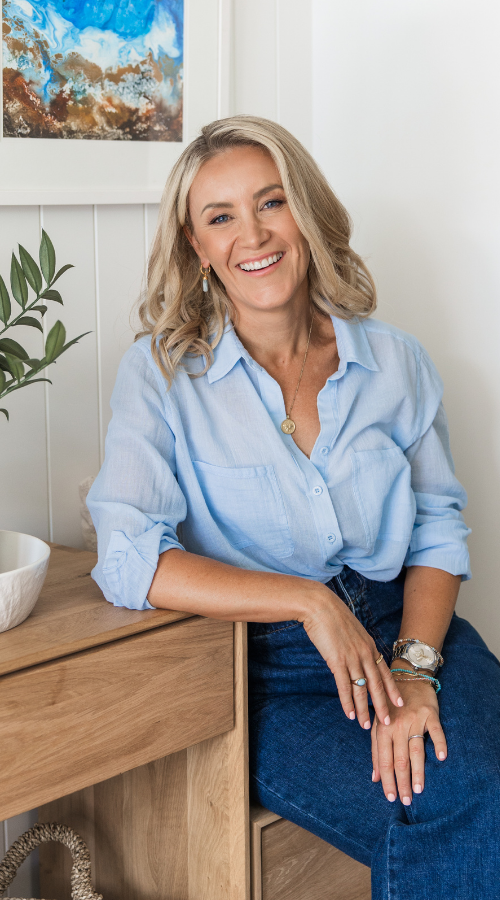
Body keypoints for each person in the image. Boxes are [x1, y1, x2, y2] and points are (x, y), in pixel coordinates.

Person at [87, 115, 500, 899]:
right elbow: (127, 555)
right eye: (221, 217)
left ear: (305, 213)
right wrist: (306, 601)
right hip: (272, 674)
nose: (253, 234)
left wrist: (416, 671)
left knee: (476, 793)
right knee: (459, 800)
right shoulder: (162, 375)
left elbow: (438, 530)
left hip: (410, 634)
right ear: (196, 247)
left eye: (271, 202)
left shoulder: (396, 362)